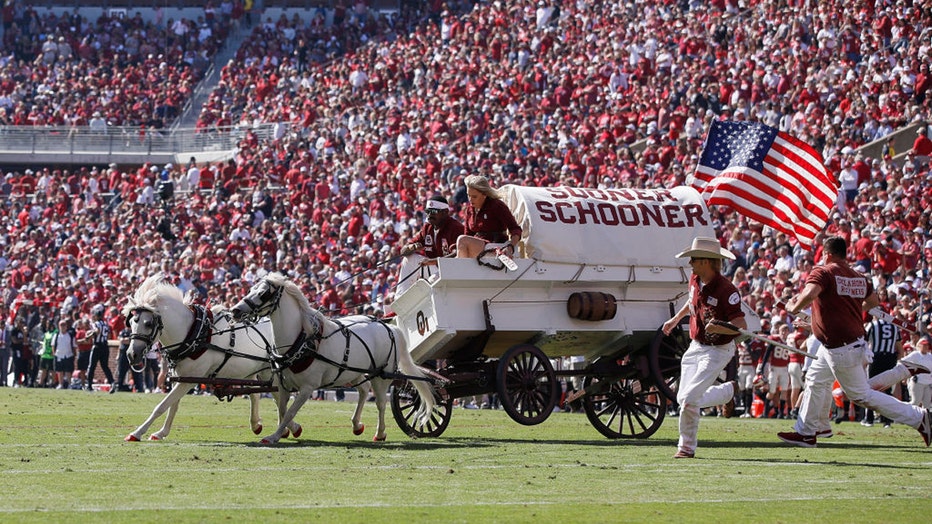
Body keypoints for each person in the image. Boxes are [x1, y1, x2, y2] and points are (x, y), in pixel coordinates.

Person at [778, 236, 932, 448]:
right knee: (815, 379)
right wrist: (848, 312)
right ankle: (812, 429)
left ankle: (918, 416)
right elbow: (873, 302)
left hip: (840, 345)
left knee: (861, 395)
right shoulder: (859, 276)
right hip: (845, 342)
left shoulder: (823, 271)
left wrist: (793, 307)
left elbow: (811, 292)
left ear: (827, 254)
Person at [661, 236, 746, 459]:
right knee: (683, 399)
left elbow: (740, 326)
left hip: (718, 350)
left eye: (694, 259)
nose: (690, 264)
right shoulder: (694, 280)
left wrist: (721, 328)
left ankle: (686, 448)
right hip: (695, 345)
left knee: (689, 399)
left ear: (707, 262)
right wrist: (674, 320)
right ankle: (727, 391)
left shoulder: (727, 290)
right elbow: (691, 304)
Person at [395, 195, 465, 298]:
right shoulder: (428, 228)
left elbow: (458, 255)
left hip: (450, 271)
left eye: (434, 212)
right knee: (409, 259)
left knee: (432, 281)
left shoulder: (456, 228)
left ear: (445, 212)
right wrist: (412, 247)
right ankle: (399, 300)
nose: (429, 215)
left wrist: (432, 261)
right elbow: (403, 251)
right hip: (434, 267)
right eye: (427, 212)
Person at [455, 175, 522, 261]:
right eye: (468, 195)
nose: (470, 200)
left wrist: (510, 247)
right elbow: (468, 234)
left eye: (474, 196)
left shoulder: (497, 206)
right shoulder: (469, 209)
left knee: (462, 240)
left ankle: (463, 272)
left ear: (484, 195)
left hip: (496, 246)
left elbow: (515, 229)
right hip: (478, 246)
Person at [863, 316, 902, 427]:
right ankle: (887, 420)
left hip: (876, 357)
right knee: (887, 389)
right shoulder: (894, 326)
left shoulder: (872, 325)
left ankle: (869, 419)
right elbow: (899, 348)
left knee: (870, 387)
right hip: (890, 358)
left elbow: (863, 341)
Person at [86, 305, 116, 391]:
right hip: (105, 346)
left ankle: (89, 386)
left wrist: (89, 336)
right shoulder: (106, 324)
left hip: (97, 346)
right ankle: (112, 383)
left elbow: (97, 331)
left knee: (92, 366)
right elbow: (109, 335)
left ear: (97, 316)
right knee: (105, 367)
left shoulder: (96, 324)